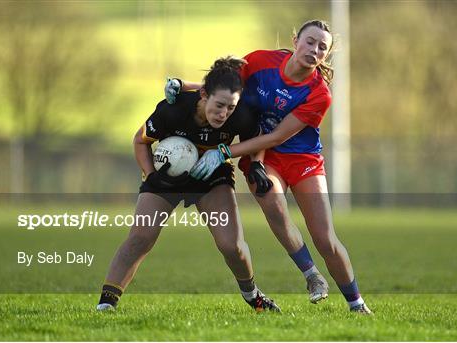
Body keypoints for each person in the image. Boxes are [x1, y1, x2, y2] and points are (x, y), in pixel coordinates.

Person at [165, 20, 371, 314]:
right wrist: (182, 86)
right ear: (295, 40)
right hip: (262, 156)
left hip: (302, 159)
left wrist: (222, 152)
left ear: (326, 55)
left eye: (322, 47)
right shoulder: (261, 61)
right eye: (310, 42)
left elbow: (277, 136)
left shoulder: (319, 95)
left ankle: (357, 303)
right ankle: (312, 275)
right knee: (273, 204)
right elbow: (221, 89)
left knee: (325, 238)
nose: (314, 50)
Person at [97, 56, 280, 313]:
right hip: (167, 176)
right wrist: (150, 176)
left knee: (232, 245)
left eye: (230, 107)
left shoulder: (242, 115)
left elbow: (257, 144)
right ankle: (107, 304)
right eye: (219, 105)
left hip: (212, 176)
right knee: (141, 237)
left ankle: (253, 296)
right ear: (203, 94)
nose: (224, 113)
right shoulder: (173, 109)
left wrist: (257, 164)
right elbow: (140, 141)